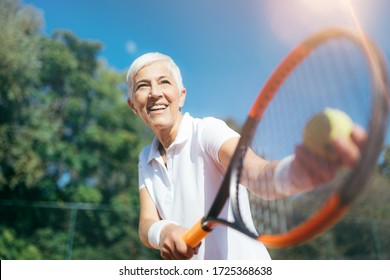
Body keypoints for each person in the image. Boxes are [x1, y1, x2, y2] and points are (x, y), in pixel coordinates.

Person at [126, 52, 367, 260]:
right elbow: (146, 223)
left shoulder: (208, 131)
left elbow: (256, 172)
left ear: (181, 96)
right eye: (142, 86)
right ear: (132, 106)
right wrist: (164, 231)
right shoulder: (145, 158)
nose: (154, 93)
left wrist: (292, 174)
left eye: (164, 82)